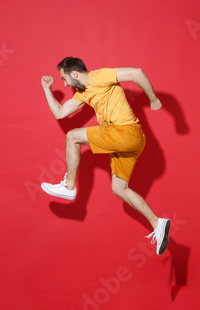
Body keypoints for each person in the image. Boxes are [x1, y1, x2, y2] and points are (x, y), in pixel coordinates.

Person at [40, 57, 170, 255]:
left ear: (74, 74)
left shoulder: (99, 76)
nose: (64, 83)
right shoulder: (84, 94)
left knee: (72, 136)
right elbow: (60, 113)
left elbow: (136, 73)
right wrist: (47, 89)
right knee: (119, 188)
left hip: (125, 133)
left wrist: (153, 99)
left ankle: (69, 187)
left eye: (64, 79)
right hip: (131, 141)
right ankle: (157, 223)